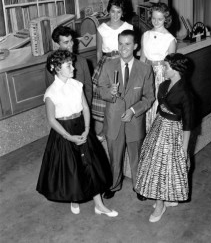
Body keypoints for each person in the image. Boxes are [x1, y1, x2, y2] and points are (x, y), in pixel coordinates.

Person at [36, 50, 118, 217]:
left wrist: (88, 129)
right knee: (72, 167)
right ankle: (75, 197)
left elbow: (86, 108)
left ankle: (99, 205)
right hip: (64, 131)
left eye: (71, 64)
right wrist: (69, 136)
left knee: (92, 165)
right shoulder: (51, 92)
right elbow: (51, 120)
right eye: (69, 65)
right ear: (57, 68)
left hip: (81, 126)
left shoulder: (76, 85)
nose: (73, 68)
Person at [135, 53, 195, 223]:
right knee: (154, 164)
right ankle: (166, 198)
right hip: (159, 126)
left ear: (176, 70)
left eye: (166, 66)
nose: (163, 69)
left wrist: (183, 148)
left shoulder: (185, 93)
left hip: (174, 131)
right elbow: (160, 109)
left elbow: (188, 124)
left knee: (164, 168)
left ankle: (160, 204)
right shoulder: (163, 85)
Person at [98, 29, 155, 200]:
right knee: (114, 156)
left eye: (128, 44)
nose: (123, 48)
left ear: (135, 46)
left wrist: (133, 111)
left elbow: (149, 97)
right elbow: (101, 90)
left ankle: (139, 187)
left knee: (136, 155)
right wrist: (110, 92)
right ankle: (113, 184)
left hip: (134, 121)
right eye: (121, 44)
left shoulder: (145, 69)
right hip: (113, 120)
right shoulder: (108, 65)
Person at [92, 0, 133, 139]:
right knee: (103, 100)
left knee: (122, 98)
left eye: (119, 12)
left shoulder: (128, 27)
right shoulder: (101, 28)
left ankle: (120, 130)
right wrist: (100, 71)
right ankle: (102, 132)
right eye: (113, 11)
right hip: (106, 63)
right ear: (108, 11)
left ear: (123, 13)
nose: (115, 15)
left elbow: (131, 49)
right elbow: (98, 52)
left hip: (123, 62)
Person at [140, 3, 176, 132]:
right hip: (147, 71)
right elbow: (142, 58)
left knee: (157, 104)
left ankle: (156, 135)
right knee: (146, 102)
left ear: (166, 19)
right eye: (154, 18)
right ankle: (147, 133)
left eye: (160, 19)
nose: (156, 21)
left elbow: (171, 65)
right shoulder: (146, 35)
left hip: (161, 73)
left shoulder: (170, 39)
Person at [45, 25, 92, 106]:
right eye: (66, 42)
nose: (71, 45)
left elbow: (88, 87)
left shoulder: (82, 61)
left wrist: (87, 107)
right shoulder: (52, 63)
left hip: (81, 105)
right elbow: (50, 88)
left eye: (71, 40)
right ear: (57, 44)